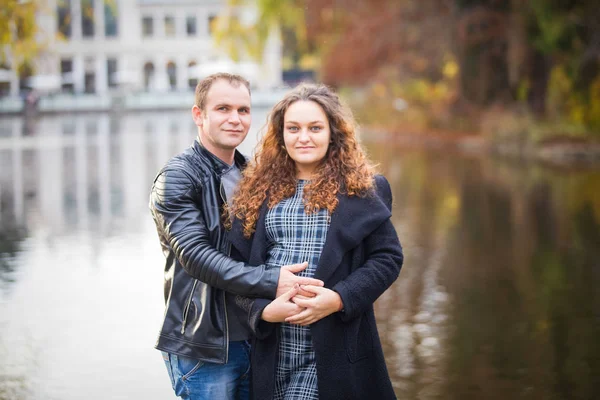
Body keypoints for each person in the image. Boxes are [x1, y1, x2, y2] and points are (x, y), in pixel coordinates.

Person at [149, 73, 324, 400]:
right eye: (223, 109)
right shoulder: (176, 179)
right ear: (199, 115)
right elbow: (197, 258)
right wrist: (274, 281)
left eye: (243, 110)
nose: (235, 119)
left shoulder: (252, 174)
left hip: (258, 334)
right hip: (207, 347)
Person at [228, 83, 404, 400]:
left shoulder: (365, 188)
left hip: (336, 347)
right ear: (280, 135)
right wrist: (263, 312)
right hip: (274, 347)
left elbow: (387, 259)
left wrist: (338, 299)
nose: (304, 137)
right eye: (293, 128)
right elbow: (237, 271)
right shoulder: (257, 192)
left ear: (333, 132)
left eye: (315, 128)